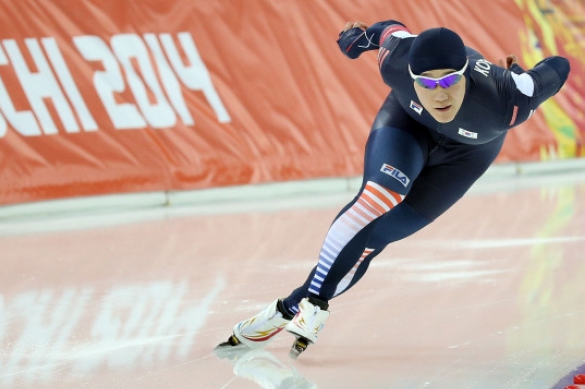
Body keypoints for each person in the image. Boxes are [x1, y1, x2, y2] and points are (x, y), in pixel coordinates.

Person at [215, 19, 570, 358]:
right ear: (411, 77)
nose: (439, 95)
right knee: (377, 199)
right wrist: (360, 40)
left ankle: (288, 308)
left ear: (465, 77)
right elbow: (387, 30)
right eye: (427, 85)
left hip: (465, 156)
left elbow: (559, 64)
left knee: (373, 240)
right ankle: (316, 304)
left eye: (449, 82)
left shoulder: (509, 98)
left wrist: (525, 77)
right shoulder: (397, 61)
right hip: (407, 124)